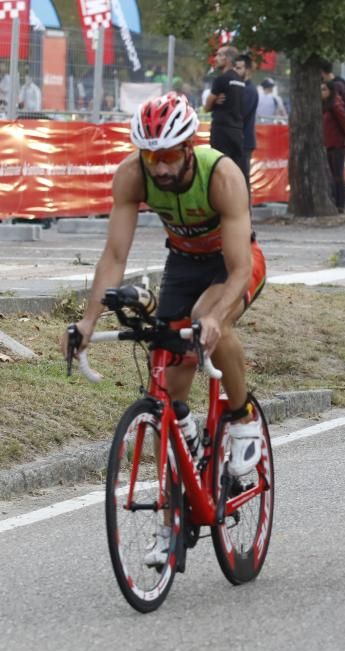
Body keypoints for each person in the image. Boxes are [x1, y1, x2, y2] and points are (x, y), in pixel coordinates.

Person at [59, 93, 267, 564]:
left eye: (171, 155)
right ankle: (173, 509)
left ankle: (242, 419)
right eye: (152, 156)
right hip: (184, 263)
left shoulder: (223, 176)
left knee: (206, 323)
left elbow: (237, 271)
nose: (162, 168)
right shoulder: (132, 175)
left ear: (190, 146)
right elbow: (115, 256)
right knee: (168, 387)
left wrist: (215, 317)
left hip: (234, 262)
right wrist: (87, 322)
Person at [204, 45, 246, 179]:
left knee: (219, 169)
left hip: (221, 130)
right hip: (238, 132)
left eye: (219, 55)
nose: (215, 58)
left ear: (227, 59)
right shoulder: (241, 81)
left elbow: (206, 107)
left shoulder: (221, 80)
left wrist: (214, 100)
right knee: (236, 171)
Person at [321, 79, 345, 214]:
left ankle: (340, 205)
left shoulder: (336, 105)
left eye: (324, 89)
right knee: (331, 175)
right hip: (328, 144)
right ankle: (334, 202)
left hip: (338, 145)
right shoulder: (324, 105)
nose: (322, 92)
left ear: (331, 91)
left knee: (338, 176)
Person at [234, 54, 258, 185]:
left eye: (239, 68)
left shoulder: (249, 90)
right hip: (240, 141)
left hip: (244, 142)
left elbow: (240, 113)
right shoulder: (242, 88)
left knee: (242, 179)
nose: (236, 71)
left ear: (247, 70)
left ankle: (245, 206)